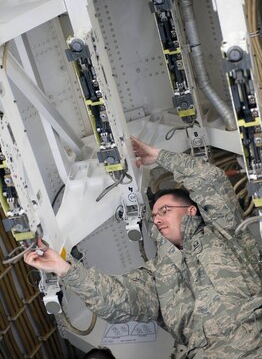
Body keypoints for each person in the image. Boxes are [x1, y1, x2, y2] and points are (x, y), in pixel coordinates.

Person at [24, 137, 262, 358]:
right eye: (155, 215)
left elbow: (211, 180)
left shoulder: (225, 231)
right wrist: (66, 269)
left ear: (191, 210)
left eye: (165, 211)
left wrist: (158, 156)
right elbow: (116, 300)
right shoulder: (157, 276)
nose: (156, 219)